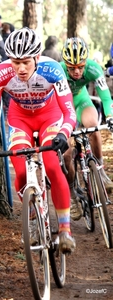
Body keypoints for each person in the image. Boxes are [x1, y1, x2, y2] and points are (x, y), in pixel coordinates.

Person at [0, 27, 77, 254]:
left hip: (49, 116)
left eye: (26, 62)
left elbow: (69, 111)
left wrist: (63, 133)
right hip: (19, 118)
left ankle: (64, 230)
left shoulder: (52, 69)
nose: (20, 69)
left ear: (37, 58)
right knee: (21, 172)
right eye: (15, 62)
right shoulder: (0, 73)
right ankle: (32, 214)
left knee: (52, 165)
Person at [60, 37, 113, 221]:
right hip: (63, 106)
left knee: (92, 126)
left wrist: (110, 116)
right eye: (72, 67)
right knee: (66, 153)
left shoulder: (93, 69)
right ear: (65, 63)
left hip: (82, 100)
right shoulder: (57, 70)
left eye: (80, 67)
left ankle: (100, 169)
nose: (76, 71)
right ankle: (73, 194)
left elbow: (106, 98)